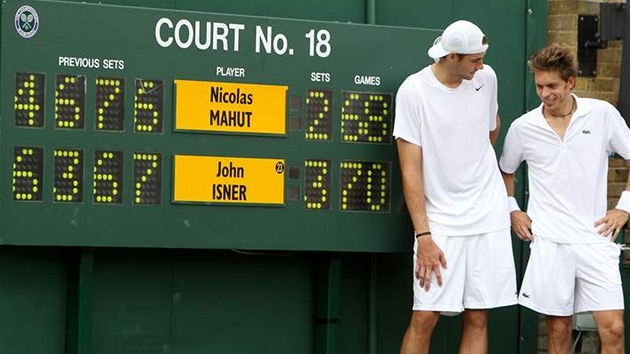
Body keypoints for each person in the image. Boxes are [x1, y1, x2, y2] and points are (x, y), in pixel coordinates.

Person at [393, 20, 517, 354]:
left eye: (482, 58)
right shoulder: (413, 91)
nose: (482, 66)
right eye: (474, 60)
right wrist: (424, 235)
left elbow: (491, 130)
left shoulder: (485, 79)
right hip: (441, 222)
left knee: (478, 317)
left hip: (488, 214)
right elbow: (410, 170)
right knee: (425, 316)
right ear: (451, 57)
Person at [500, 45, 629, 354]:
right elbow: (505, 171)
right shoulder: (523, 127)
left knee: (613, 328)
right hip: (549, 241)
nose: (545, 93)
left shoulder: (601, 114)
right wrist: (512, 209)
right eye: (540, 86)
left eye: (552, 86)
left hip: (595, 239)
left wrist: (624, 207)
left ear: (570, 82)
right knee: (557, 330)